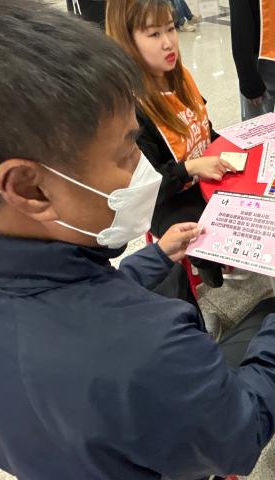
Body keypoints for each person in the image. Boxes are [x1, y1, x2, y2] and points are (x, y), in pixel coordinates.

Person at [0, 1, 275, 479]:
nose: (143, 171)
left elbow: (71, 301)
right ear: (30, 187)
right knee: (264, 321)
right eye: (127, 150)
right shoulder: (151, 347)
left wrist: (152, 257)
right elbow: (241, 436)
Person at [106, 0, 232, 289]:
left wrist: (232, 147)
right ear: (127, 41)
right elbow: (141, 189)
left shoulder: (180, 76)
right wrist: (189, 168)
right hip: (167, 199)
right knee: (213, 232)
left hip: (201, 176)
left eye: (171, 28)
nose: (169, 43)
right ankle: (210, 268)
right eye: (153, 34)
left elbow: (203, 129)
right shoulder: (131, 107)